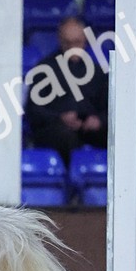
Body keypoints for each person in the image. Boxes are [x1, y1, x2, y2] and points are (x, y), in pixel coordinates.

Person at [25, 16, 108, 164]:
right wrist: (59, 118)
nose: (72, 48)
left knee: (117, 135)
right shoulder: (45, 69)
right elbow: (34, 110)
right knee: (64, 136)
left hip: (88, 128)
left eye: (77, 42)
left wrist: (98, 120)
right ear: (60, 40)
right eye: (67, 43)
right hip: (56, 129)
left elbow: (108, 108)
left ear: (84, 40)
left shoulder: (96, 71)